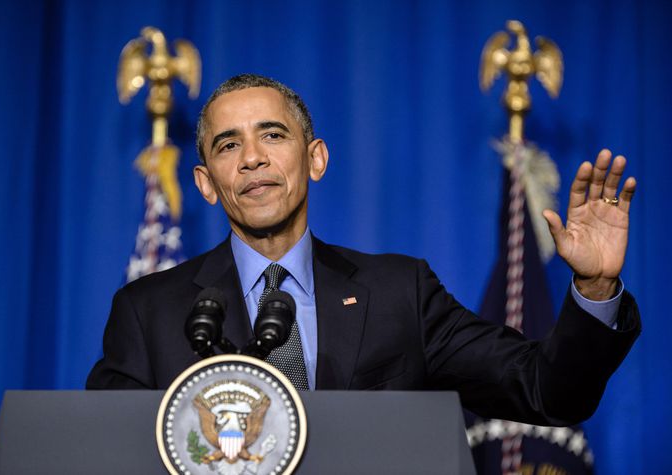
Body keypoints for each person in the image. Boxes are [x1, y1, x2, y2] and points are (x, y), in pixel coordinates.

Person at [87, 74, 640, 426]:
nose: (251, 158)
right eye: (229, 145)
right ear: (207, 182)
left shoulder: (400, 293)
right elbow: (104, 455)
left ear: (316, 159)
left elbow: (544, 390)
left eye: (273, 135)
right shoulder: (148, 310)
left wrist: (594, 289)